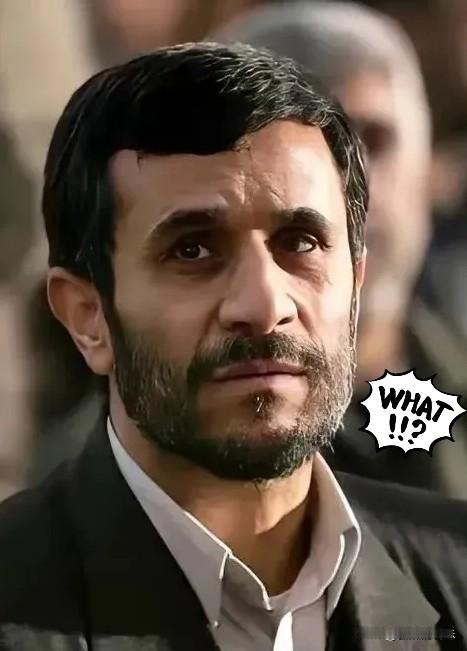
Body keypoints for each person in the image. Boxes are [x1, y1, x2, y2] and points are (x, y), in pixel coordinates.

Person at [0, 43, 466, 650]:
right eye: (193, 250)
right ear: (89, 317)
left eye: (300, 242)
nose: (264, 304)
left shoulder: (452, 575)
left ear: (356, 286)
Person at [215, 1, 467, 498]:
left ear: (428, 169)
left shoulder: (443, 376)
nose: (354, 186)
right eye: (313, 148)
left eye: (376, 139)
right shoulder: (160, 451)